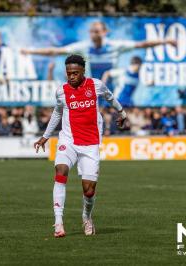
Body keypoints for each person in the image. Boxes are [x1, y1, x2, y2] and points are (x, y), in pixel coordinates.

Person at [33, 54, 127, 238]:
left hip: (90, 144)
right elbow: (57, 113)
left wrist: (122, 113)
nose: (71, 76)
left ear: (83, 71)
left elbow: (110, 97)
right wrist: (45, 136)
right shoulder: (62, 91)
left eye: (75, 73)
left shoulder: (96, 85)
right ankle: (58, 222)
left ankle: (87, 216)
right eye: (68, 73)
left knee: (89, 190)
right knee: (60, 172)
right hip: (67, 141)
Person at [21, 21, 176, 80]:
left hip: (111, 92)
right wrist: (31, 51)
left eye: (96, 31)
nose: (93, 34)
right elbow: (55, 51)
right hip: (92, 93)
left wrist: (166, 41)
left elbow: (142, 44)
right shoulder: (83, 47)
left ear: (104, 32)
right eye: (91, 31)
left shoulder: (115, 45)